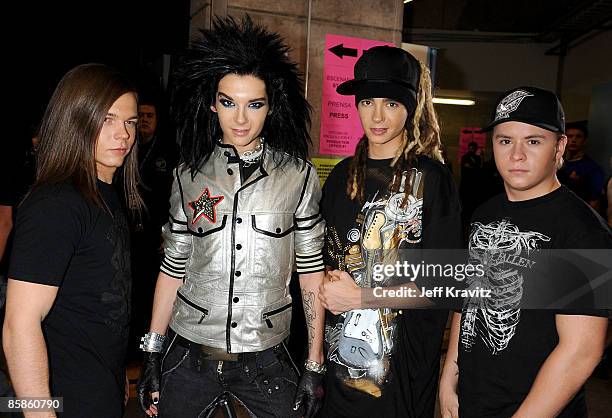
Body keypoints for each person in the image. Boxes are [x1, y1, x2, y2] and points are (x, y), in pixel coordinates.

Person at [136, 16, 327, 418]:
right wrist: (152, 352)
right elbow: (172, 268)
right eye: (228, 102)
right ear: (212, 104)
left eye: (253, 104)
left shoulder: (298, 176)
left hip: (267, 361)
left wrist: (313, 363)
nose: (240, 118)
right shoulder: (187, 175)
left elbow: (311, 272)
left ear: (271, 107)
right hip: (188, 356)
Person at [439, 86, 611, 418]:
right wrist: (449, 377)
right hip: (474, 401)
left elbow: (581, 351)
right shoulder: (483, 214)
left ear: (559, 147)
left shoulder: (585, 232)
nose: (516, 155)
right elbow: (470, 299)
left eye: (533, 141)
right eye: (505, 141)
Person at [317, 46, 462, 417]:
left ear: (410, 107)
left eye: (391, 104)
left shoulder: (431, 179)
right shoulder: (339, 179)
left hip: (403, 381)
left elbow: (446, 284)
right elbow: (322, 269)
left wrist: (362, 298)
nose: (377, 116)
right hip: (338, 377)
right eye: (367, 102)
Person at [2, 63, 142, 417]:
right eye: (107, 119)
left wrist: (113, 377)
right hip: (61, 401)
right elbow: (20, 322)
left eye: (130, 122)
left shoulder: (106, 194)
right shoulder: (57, 203)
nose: (123, 134)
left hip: (98, 389)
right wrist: (39, 411)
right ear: (76, 120)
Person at [127, 92, 177, 361]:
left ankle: (148, 349)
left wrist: (169, 229)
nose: (145, 121)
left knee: (151, 291)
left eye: (150, 116)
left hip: (156, 235)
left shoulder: (168, 151)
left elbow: (177, 196)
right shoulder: (127, 146)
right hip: (129, 232)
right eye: (141, 116)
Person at [558, 120, 605, 211]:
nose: (574, 140)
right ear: (564, 140)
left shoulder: (592, 168)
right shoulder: (555, 162)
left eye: (578, 137)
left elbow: (594, 202)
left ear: (584, 140)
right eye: (570, 136)